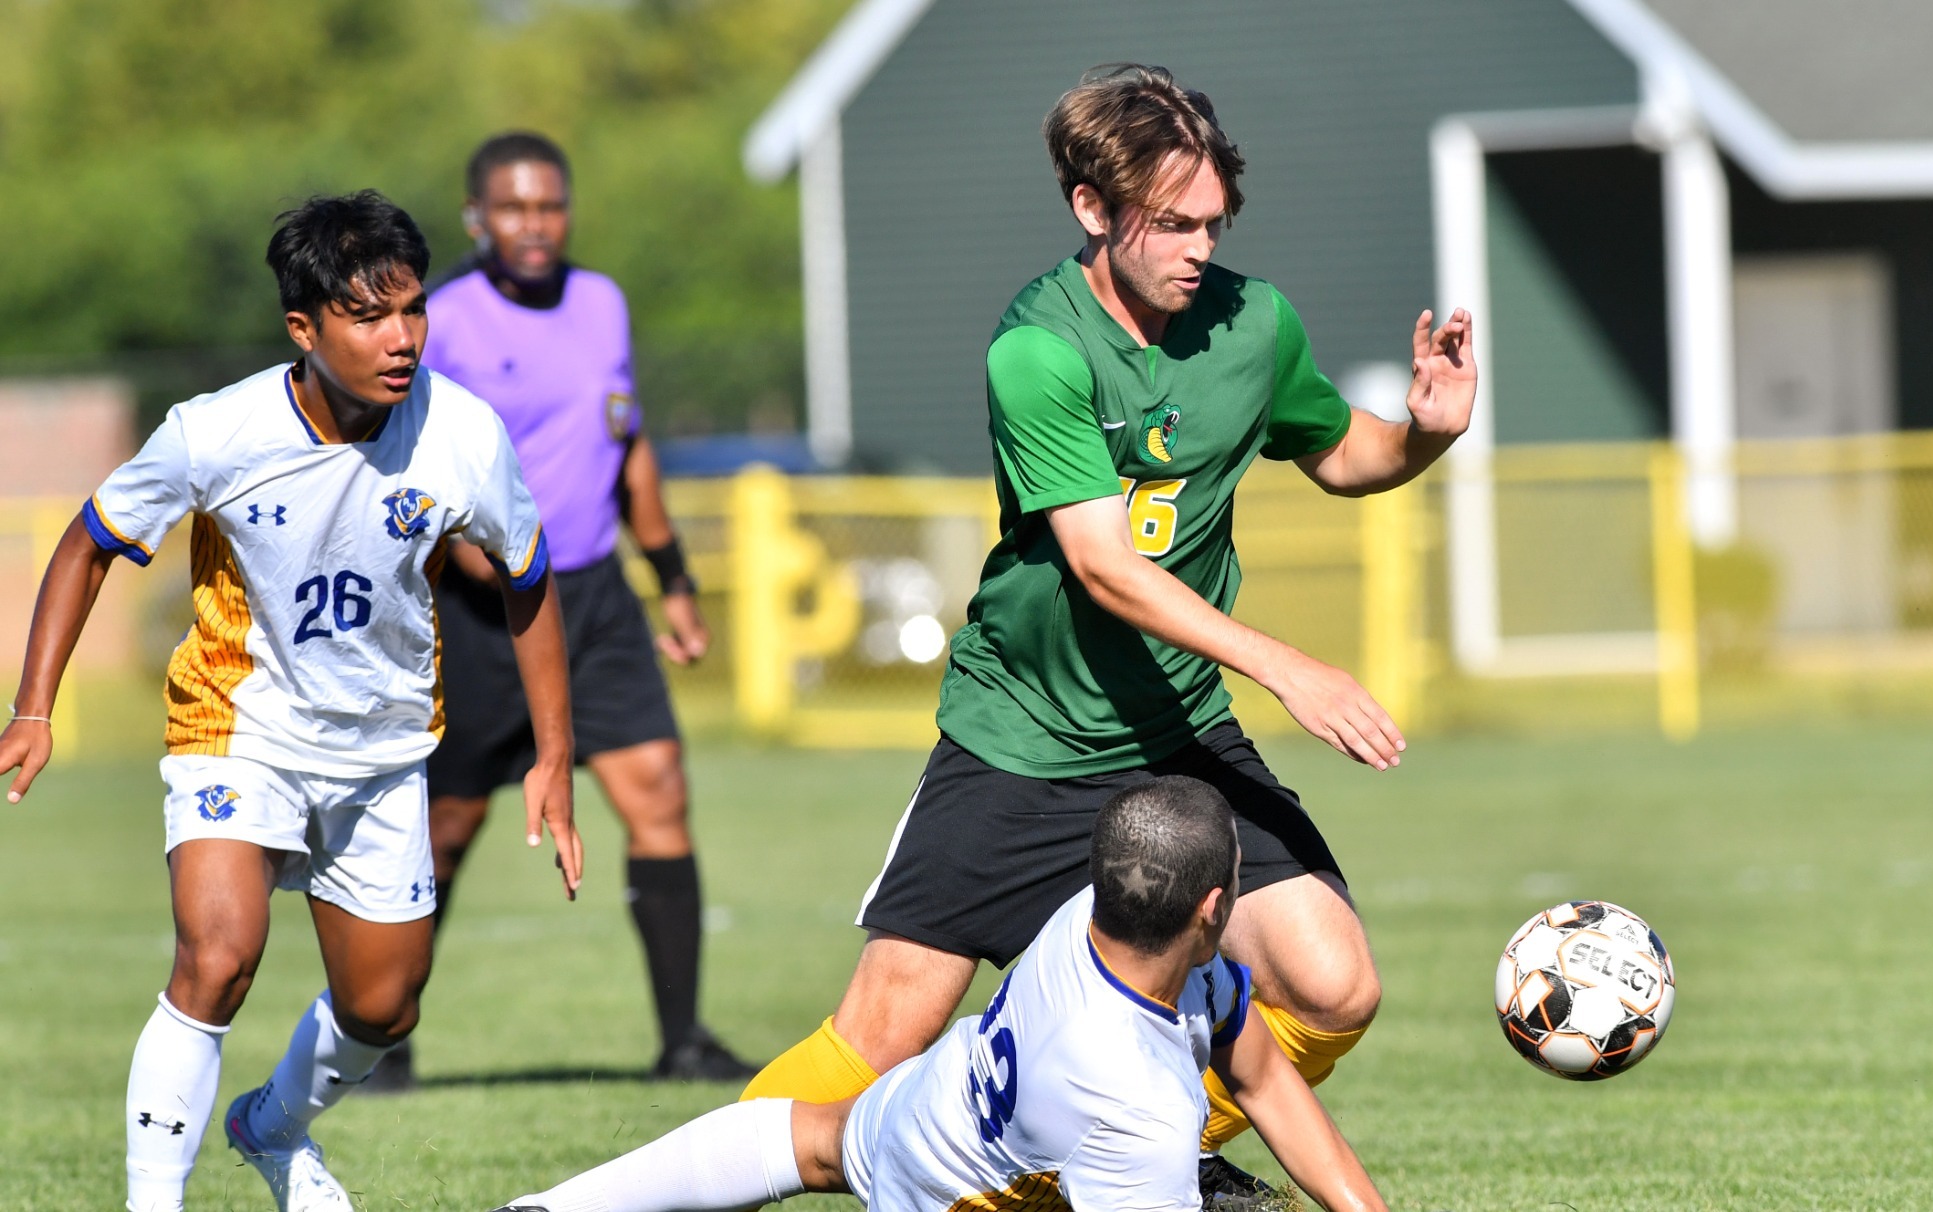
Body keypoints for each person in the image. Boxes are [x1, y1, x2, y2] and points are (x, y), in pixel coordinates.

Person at [738, 65, 1475, 1201]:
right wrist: (1284, 665)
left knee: (1332, 983)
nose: (1197, 250)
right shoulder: (1036, 348)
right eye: (1171, 225)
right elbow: (1102, 567)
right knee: (884, 1029)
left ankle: (1122, 1152)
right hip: (1020, 742)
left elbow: (1342, 455)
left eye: (1212, 224)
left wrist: (1422, 434)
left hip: (1176, 738)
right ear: (1092, 209)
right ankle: (682, 1177)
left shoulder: (1253, 323)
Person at [0, 190, 582, 1212]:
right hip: (239, 726)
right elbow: (90, 540)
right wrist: (35, 707)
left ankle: (270, 1129)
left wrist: (553, 758)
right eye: (368, 316)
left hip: (385, 749)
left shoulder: (463, 435)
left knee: (384, 1007)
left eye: (412, 311)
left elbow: (528, 579)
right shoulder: (215, 433)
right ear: (304, 330)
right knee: (218, 958)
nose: (400, 339)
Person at [493, 776, 1388, 1212]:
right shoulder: (1139, 1106)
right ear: (1211, 910)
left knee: (810, 1138)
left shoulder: (1092, 910)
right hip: (956, 1195)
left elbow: (1266, 1080)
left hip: (925, 1102)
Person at [386, 131, 749, 1087]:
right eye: (513, 207)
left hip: (595, 596)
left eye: (549, 206)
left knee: (658, 792)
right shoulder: (444, 318)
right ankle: (382, 1045)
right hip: (478, 609)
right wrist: (479, 566)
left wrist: (672, 577)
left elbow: (627, 447)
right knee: (444, 830)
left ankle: (682, 1042)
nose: (534, 224)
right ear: (477, 218)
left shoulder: (603, 303)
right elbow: (419, 469)